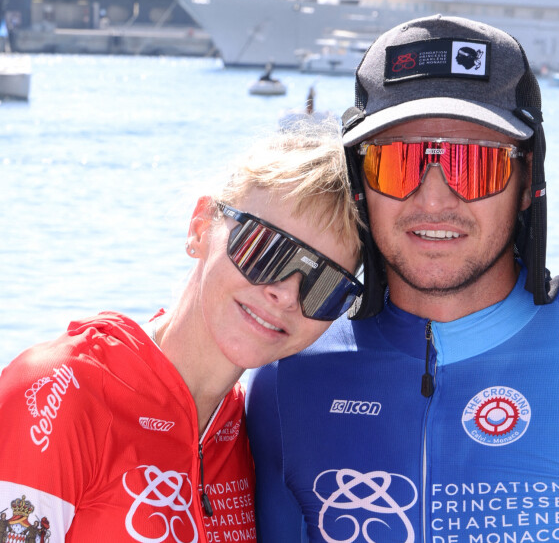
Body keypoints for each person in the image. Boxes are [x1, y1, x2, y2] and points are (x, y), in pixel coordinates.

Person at [246, 14, 559, 542]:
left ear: (526, 184)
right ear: (360, 183)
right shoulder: (285, 380)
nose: (433, 201)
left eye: (476, 164)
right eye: (396, 164)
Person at [0, 122, 363, 543]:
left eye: (325, 285)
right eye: (266, 250)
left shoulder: (243, 428)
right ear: (201, 228)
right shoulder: (60, 391)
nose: (284, 294)